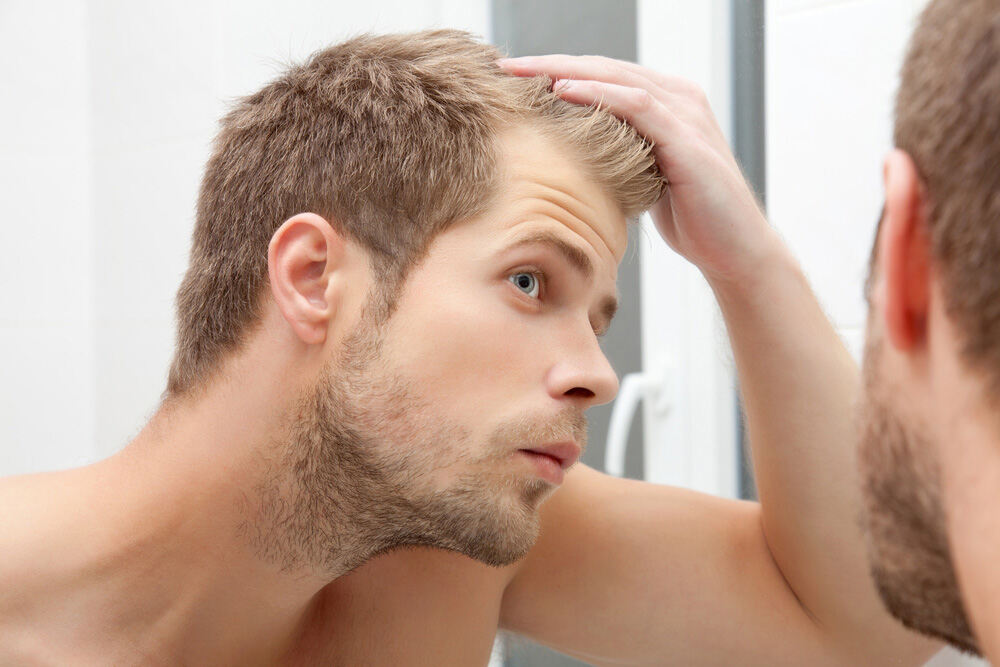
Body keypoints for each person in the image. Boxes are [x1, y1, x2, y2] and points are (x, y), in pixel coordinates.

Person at [0, 17, 944, 666]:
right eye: (531, 281)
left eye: (597, 316)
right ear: (312, 278)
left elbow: (870, 627)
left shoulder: (443, 555)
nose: (597, 376)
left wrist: (747, 263)